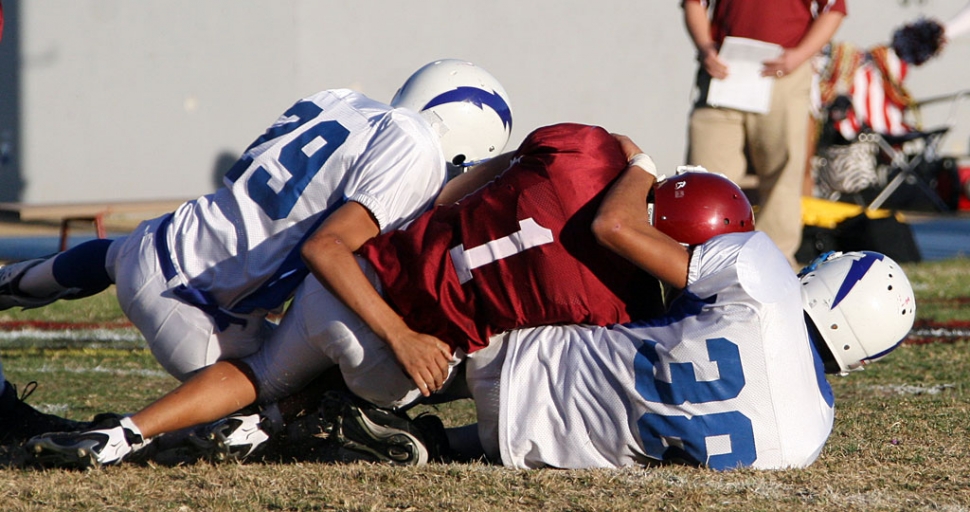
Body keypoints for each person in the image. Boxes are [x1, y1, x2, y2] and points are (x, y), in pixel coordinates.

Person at [26, 124, 755, 468]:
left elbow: (471, 180)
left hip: (352, 280)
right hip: (400, 363)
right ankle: (293, 424)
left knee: (266, 369)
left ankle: (124, 435)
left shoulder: (588, 148)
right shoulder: (616, 309)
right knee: (510, 354)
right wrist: (410, 336)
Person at [0, 58, 514, 445]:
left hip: (158, 242)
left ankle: (12, 283)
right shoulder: (416, 148)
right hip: (196, 308)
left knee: (117, 253)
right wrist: (400, 336)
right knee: (277, 373)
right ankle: (126, 438)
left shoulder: (342, 100)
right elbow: (326, 248)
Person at [332, 161, 916, 469]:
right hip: (537, 446)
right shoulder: (808, 436)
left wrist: (640, 162)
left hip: (516, 356)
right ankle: (434, 443)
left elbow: (614, 228)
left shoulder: (762, 274)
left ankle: (301, 386)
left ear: (827, 283)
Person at [682, 0, 846, 267]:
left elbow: (833, 9)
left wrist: (800, 55)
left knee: (782, 172)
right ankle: (702, 264)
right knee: (705, 177)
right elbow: (694, 4)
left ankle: (773, 268)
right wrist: (705, 49)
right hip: (724, 72)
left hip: (784, 73)